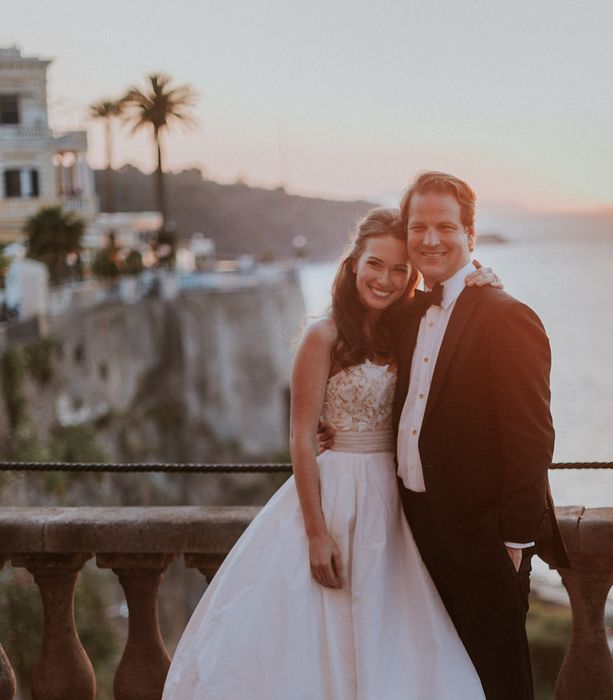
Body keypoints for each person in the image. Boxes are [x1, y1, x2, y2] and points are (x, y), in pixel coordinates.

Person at [162, 207, 500, 700]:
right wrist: (317, 535)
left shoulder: (407, 328)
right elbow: (300, 437)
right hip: (338, 495)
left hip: (396, 500)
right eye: (375, 264)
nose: (385, 279)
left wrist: (481, 278)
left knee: (392, 628)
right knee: (330, 626)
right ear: (353, 264)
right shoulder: (322, 336)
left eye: (399, 269)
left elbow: (451, 320)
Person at [392, 171, 570, 700]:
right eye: (417, 226)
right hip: (412, 534)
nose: (429, 239)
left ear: (470, 232)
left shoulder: (506, 316)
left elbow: (531, 437)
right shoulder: (404, 316)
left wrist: (513, 539)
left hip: (484, 543)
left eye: (444, 226)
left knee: (497, 682)